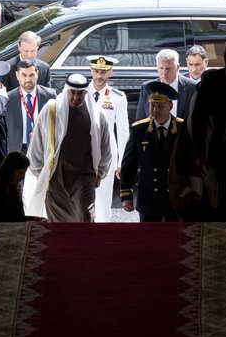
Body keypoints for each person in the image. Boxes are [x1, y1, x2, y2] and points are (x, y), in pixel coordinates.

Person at [26, 73, 112, 222]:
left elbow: (105, 149)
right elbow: (37, 146)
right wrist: (42, 175)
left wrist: (100, 174)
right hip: (55, 176)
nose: (76, 97)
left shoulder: (98, 115)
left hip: (84, 176)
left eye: (80, 93)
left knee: (86, 216)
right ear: (66, 90)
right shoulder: (51, 111)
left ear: (86, 92)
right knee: (58, 223)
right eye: (72, 92)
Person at [120, 81, 191, 222]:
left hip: (175, 197)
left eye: (160, 106)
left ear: (170, 106)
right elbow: (129, 164)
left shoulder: (183, 128)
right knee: (148, 235)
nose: (154, 110)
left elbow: (190, 162)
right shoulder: (139, 129)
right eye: (152, 105)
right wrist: (126, 194)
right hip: (149, 197)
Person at [189, 35, 226, 219]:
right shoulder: (212, 80)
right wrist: (200, 155)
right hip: (217, 149)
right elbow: (198, 119)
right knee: (218, 197)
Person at [85, 55, 130, 222]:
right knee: (80, 200)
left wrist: (122, 162)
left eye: (103, 72)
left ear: (110, 72)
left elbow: (123, 131)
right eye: (96, 71)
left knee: (103, 204)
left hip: (106, 155)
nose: (99, 75)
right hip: (82, 154)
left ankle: (102, 233)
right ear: (91, 71)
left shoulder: (117, 97)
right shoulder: (80, 93)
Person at [3, 59, 57, 155]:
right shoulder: (7, 99)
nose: (28, 80)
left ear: (37, 74)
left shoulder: (50, 95)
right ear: (17, 75)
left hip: (43, 149)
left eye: (31, 75)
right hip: (17, 151)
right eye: (24, 75)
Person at [135, 48, 196, 120]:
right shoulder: (147, 88)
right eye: (161, 68)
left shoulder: (193, 88)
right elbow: (140, 119)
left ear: (177, 67)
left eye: (168, 69)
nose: (164, 73)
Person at [0, 150, 30, 222]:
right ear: (9, 171)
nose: (23, 177)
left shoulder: (15, 187)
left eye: (24, 173)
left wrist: (36, 219)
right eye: (20, 173)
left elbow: (18, 217)